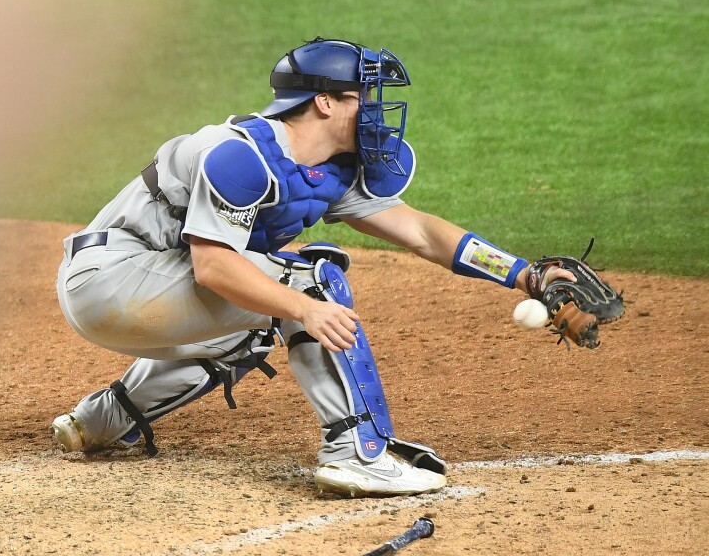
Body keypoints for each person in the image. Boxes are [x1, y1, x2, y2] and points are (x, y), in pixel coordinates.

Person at [51, 37, 573, 497]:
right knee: (307, 280)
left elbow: (422, 232)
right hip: (111, 279)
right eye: (362, 97)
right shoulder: (241, 156)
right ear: (324, 101)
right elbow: (213, 268)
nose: (375, 110)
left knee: (259, 319)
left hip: (143, 290)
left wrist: (526, 275)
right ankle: (356, 452)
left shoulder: (330, 172)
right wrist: (305, 306)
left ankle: (104, 419)